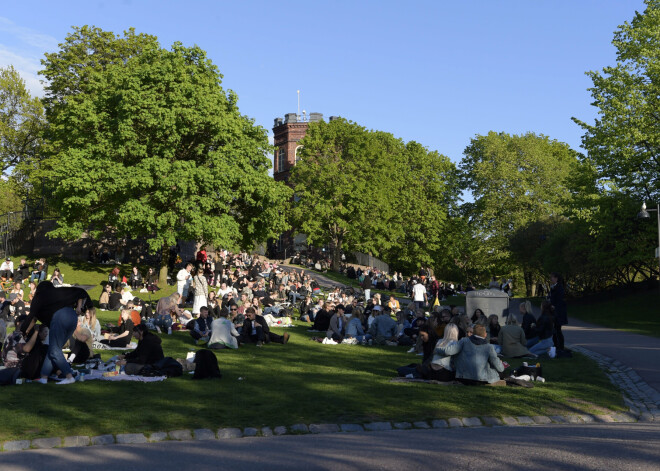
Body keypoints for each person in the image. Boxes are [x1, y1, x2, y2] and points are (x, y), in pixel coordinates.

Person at [22, 281, 93, 385]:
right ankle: (44, 377)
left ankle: (69, 376)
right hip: (73, 318)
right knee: (53, 349)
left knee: (55, 350)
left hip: (60, 318)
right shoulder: (60, 292)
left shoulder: (39, 298)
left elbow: (32, 317)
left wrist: (24, 330)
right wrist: (79, 307)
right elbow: (80, 292)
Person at [437, 324, 504, 384]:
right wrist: (501, 365)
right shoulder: (489, 347)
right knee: (498, 371)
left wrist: (436, 349)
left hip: (462, 377)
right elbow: (500, 368)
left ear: (473, 333)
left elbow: (448, 351)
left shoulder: (463, 341)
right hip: (481, 379)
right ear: (485, 335)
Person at [549, 272, 567, 351]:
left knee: (558, 330)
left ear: (556, 278)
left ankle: (560, 346)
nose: (551, 279)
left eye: (552, 277)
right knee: (555, 330)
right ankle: (556, 345)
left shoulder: (559, 288)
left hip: (558, 313)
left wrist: (554, 306)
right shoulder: (553, 287)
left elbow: (560, 300)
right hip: (554, 312)